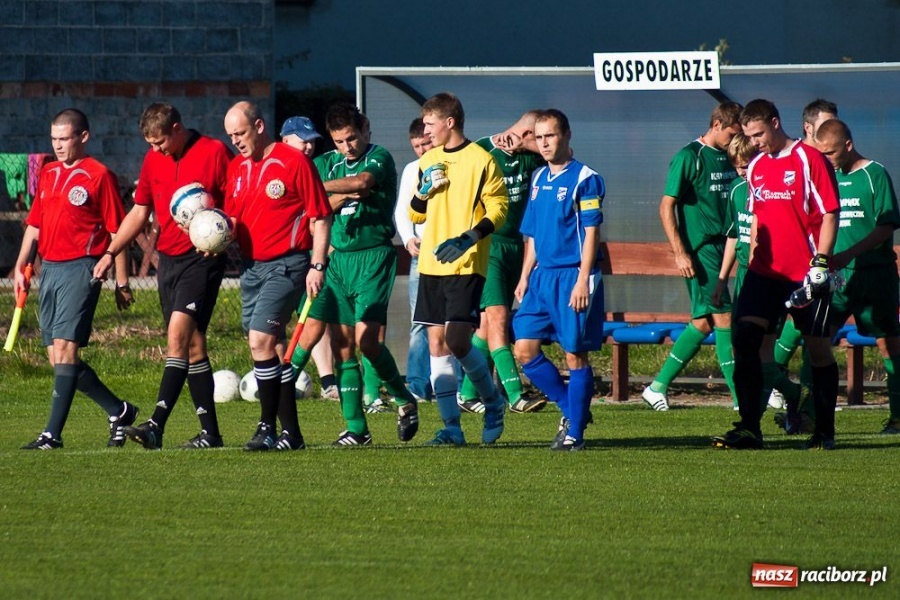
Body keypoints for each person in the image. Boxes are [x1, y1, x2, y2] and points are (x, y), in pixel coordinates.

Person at [93, 103, 232, 450]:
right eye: (150, 144)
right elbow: (140, 211)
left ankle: (156, 425)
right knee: (193, 345)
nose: (155, 150)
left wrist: (222, 234)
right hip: (167, 261)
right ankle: (210, 434)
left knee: (176, 337)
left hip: (201, 259)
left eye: (160, 142)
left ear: (177, 128)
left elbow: (236, 201)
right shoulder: (153, 158)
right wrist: (110, 252)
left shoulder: (214, 152)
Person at [713, 99, 840, 450]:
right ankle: (750, 428)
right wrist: (751, 262)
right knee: (745, 338)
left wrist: (821, 262)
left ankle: (824, 432)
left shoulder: (808, 159)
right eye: (749, 136)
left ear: (775, 122)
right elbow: (757, 220)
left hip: (804, 274)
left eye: (759, 134)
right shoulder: (756, 167)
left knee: (818, 351)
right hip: (765, 272)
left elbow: (830, 213)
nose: (755, 142)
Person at [291, 102, 420, 445]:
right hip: (338, 258)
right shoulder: (328, 163)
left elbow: (363, 182)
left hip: (374, 256)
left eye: (351, 138)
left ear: (364, 129)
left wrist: (325, 188)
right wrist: (339, 190)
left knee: (368, 341)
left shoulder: (380, 156)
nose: (347, 147)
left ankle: (405, 400)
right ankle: (357, 429)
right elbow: (315, 207)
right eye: (339, 142)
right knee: (343, 345)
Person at [19, 108, 138, 450]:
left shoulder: (99, 175)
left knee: (66, 349)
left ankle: (51, 434)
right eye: (53, 139)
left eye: (64, 138)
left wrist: (121, 281)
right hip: (50, 269)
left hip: (82, 267)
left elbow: (118, 232)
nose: (57, 145)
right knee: (56, 357)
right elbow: (34, 225)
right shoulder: (49, 172)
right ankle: (119, 410)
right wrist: (20, 265)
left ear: (83, 137)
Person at [223, 101, 332, 451]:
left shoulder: (293, 161)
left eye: (240, 133)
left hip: (289, 264)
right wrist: (208, 234)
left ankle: (265, 427)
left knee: (260, 341)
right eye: (230, 136)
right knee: (274, 349)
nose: (236, 141)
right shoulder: (237, 168)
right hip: (252, 268)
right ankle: (293, 435)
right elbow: (232, 220)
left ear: (258, 126)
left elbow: (321, 216)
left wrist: (317, 265)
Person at [409, 92, 509, 446]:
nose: (425, 131)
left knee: (456, 340)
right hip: (432, 264)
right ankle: (452, 427)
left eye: (430, 124)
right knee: (436, 344)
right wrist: (422, 192)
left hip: (466, 263)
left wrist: (470, 237)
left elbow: (499, 208)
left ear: (449, 122)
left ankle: (493, 403)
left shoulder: (481, 160)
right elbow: (416, 214)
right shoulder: (429, 160)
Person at [513, 109, 606, 451]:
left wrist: (583, 279)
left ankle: (574, 433)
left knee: (574, 356)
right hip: (541, 279)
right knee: (523, 348)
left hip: (573, 276)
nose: (545, 143)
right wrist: (524, 277)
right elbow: (533, 235)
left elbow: (592, 231)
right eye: (539, 138)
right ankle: (572, 409)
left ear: (567, 135)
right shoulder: (538, 178)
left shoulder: (586, 178)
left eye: (550, 135)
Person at [642, 102, 743, 411]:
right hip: (701, 252)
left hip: (723, 246)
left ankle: (656, 387)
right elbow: (665, 206)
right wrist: (681, 252)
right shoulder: (689, 157)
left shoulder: (729, 156)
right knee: (724, 317)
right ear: (716, 124)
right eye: (731, 133)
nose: (734, 140)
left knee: (703, 323)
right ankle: (743, 399)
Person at [813, 119, 900, 434]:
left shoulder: (874, 174)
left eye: (831, 152)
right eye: (822, 153)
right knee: (818, 340)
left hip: (875, 274)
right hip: (836, 279)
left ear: (848, 145)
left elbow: (886, 226)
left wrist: (850, 253)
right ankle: (812, 414)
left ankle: (897, 416)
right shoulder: (828, 176)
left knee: (889, 344)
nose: (827, 158)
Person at [457, 110, 547, 415]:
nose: (545, 143)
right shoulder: (483, 149)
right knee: (497, 319)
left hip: (515, 246)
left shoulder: (530, 157)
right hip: (488, 245)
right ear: (526, 133)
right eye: (539, 136)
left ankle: (467, 394)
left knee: (485, 328)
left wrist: (530, 146)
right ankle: (514, 393)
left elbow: (565, 154)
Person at [279, 116, 339, 401]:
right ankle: (279, 376)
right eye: (302, 140)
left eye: (312, 141)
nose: (308, 147)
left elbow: (319, 213)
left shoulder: (312, 168)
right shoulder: (278, 169)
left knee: (315, 318)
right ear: (285, 140)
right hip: (280, 260)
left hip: (312, 256)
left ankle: (311, 379)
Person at [394, 117, 436, 401]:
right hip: (421, 255)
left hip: (452, 253)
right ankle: (418, 386)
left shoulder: (454, 165)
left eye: (426, 143)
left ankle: (456, 385)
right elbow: (402, 210)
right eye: (417, 146)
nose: (422, 150)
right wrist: (408, 238)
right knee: (420, 321)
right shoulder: (412, 170)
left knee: (453, 322)